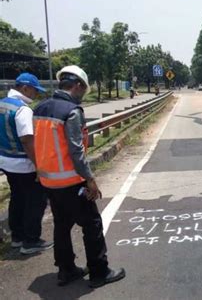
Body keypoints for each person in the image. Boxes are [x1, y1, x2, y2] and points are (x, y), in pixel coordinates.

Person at [33, 65, 125, 288]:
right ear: (77, 86)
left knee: (62, 225)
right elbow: (76, 150)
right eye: (84, 89)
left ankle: (66, 270)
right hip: (71, 180)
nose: (84, 93)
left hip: (48, 180)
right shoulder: (72, 111)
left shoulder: (40, 108)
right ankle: (99, 272)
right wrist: (90, 180)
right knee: (92, 224)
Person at [0, 73, 53, 255]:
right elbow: (27, 140)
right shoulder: (22, 110)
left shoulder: (2, 103)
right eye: (34, 90)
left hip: (6, 161)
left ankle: (17, 237)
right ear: (25, 88)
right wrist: (39, 166)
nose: (35, 95)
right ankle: (30, 241)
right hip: (24, 164)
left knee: (17, 198)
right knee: (35, 201)